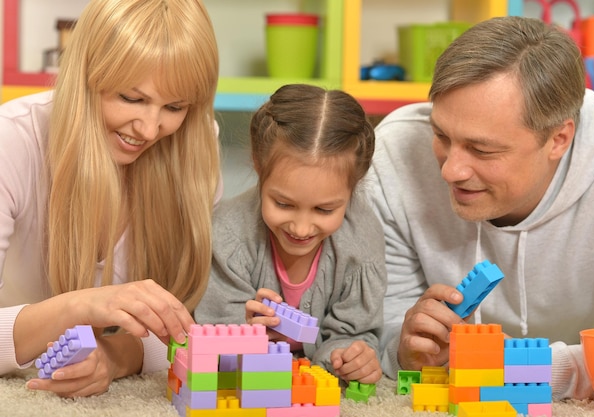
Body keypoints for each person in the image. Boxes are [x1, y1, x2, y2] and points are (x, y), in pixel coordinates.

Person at [366, 15, 594, 400]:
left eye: (482, 149)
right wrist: (406, 347)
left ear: (559, 139)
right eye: (440, 135)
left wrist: (541, 369)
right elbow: (375, 324)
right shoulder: (393, 154)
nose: (450, 170)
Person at [0, 0, 221, 397]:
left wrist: (115, 356)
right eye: (132, 98)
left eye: (174, 106)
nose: (151, 129)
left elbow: (187, 326)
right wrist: (79, 307)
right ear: (86, 76)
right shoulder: (12, 140)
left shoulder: (196, 148)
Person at [195, 84, 386, 384]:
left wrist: (349, 358)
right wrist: (246, 334)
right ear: (259, 165)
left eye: (324, 210)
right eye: (283, 204)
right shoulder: (229, 235)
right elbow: (211, 339)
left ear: (354, 186)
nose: (300, 228)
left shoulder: (361, 241)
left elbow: (355, 333)